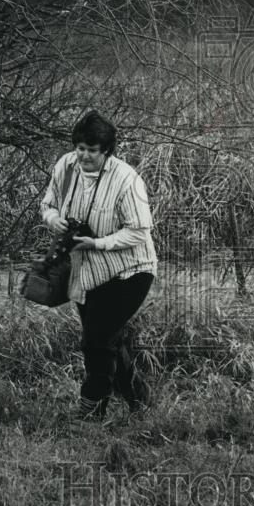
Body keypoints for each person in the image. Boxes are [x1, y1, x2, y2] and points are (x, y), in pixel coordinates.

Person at [40, 110, 157, 421]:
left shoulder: (126, 179)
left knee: (95, 341)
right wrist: (57, 221)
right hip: (86, 270)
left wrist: (98, 243)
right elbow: (47, 205)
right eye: (80, 147)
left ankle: (90, 411)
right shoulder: (65, 166)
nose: (84, 156)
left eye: (92, 150)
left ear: (107, 151)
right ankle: (140, 403)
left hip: (130, 269)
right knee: (108, 339)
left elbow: (139, 231)